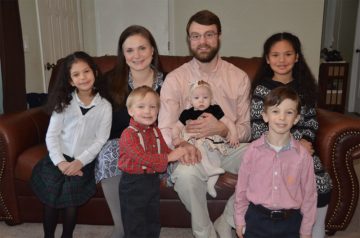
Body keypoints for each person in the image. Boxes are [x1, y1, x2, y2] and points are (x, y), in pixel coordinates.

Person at [158, 10, 251, 238]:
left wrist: (224, 128)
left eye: (209, 34)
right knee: (186, 178)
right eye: (195, 36)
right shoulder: (175, 79)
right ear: (189, 40)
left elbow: (247, 129)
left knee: (266, 157)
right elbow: (166, 127)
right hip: (194, 147)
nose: (202, 42)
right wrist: (182, 146)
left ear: (219, 36)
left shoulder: (238, 77)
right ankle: (205, 232)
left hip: (227, 146)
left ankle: (227, 219)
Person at [250, 32, 332, 238]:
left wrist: (305, 141)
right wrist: (291, 145)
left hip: (302, 148)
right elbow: (258, 127)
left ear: (297, 57)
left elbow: (311, 120)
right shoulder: (262, 89)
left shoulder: (304, 87)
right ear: (268, 59)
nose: (282, 60)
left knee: (322, 181)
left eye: (288, 54)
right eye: (275, 55)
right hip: (270, 149)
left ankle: (316, 229)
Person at [30, 51, 112, 238]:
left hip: (83, 161)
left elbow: (101, 139)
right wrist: (61, 162)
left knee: (70, 198)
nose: (83, 77)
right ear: (70, 81)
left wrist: (79, 162)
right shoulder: (63, 103)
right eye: (76, 74)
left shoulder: (104, 106)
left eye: (86, 71)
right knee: (51, 197)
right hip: (58, 158)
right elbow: (52, 136)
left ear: (95, 73)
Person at [95, 25, 165, 238]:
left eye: (142, 48)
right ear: (123, 55)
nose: (137, 55)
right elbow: (100, 120)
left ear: (152, 50)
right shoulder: (109, 81)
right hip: (120, 142)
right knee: (110, 152)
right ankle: (122, 228)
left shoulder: (169, 81)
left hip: (157, 143)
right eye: (130, 50)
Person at [235, 86, 317, 238]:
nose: (282, 117)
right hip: (256, 219)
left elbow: (309, 195)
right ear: (265, 116)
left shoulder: (303, 156)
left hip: (291, 222)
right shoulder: (252, 151)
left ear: (296, 119)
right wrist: (239, 219)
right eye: (275, 111)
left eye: (289, 112)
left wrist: (306, 230)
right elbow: (241, 189)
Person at [118, 86, 186, 238]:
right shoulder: (128, 134)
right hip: (132, 184)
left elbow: (164, 151)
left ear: (158, 111)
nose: (147, 111)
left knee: (152, 217)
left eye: (152, 107)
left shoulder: (156, 131)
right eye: (141, 106)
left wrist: (177, 154)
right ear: (131, 111)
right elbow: (141, 157)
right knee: (134, 221)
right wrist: (169, 158)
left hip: (151, 181)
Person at [171, 80, 239, 198]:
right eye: (196, 98)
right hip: (195, 142)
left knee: (215, 159)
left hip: (212, 142)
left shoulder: (215, 109)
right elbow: (176, 127)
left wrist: (234, 135)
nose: (201, 100)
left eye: (205, 97)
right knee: (201, 151)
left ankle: (211, 182)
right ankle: (210, 171)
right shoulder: (187, 113)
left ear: (211, 98)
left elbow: (228, 122)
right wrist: (176, 138)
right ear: (190, 101)